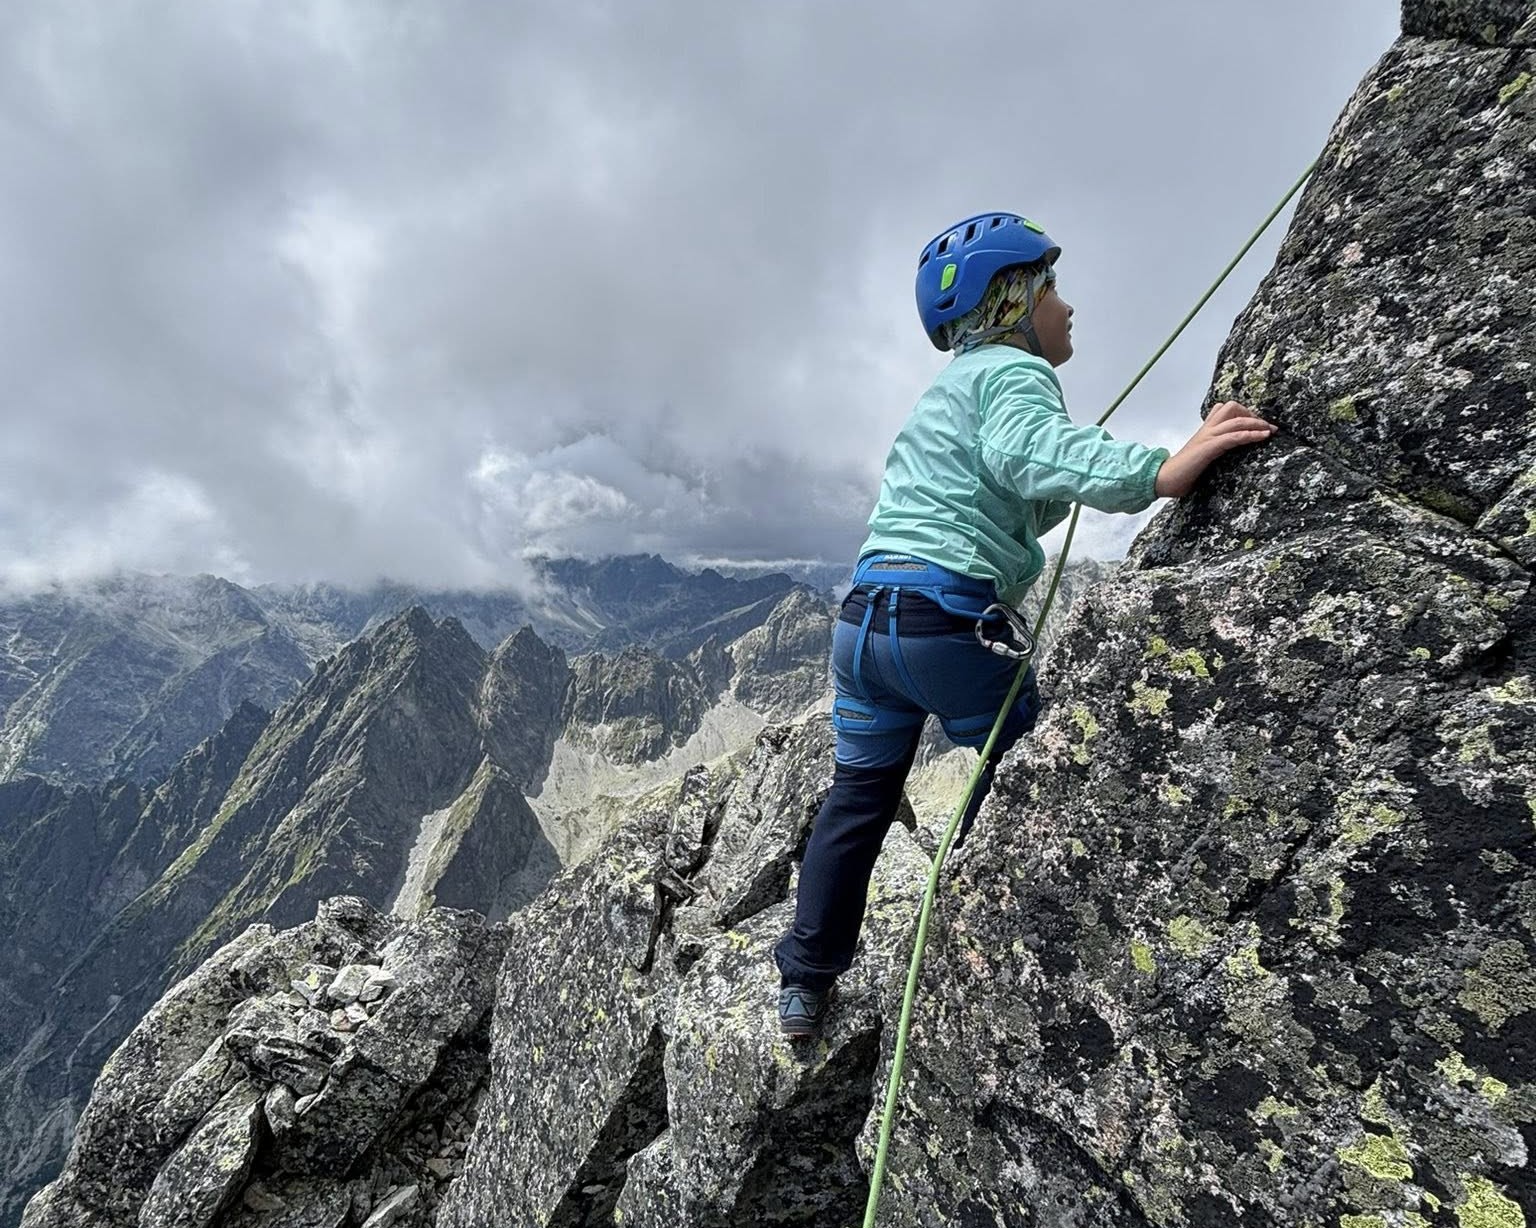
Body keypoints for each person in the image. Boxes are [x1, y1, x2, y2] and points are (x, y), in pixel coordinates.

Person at [773, 211, 1278, 1038]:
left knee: (856, 801)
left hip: (862, 627)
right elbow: (1033, 454)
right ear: (1014, 302)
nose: (1068, 307)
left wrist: (1068, 486)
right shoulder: (1012, 372)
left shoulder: (942, 393)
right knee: (1025, 775)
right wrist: (1161, 469)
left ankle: (803, 984)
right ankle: (976, 938)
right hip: (946, 624)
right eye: (1052, 288)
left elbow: (1001, 494)